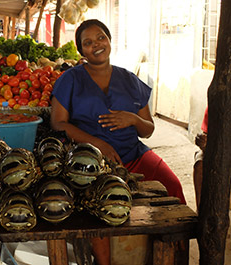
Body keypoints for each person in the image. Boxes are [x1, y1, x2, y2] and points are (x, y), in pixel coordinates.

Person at [50, 19, 186, 265]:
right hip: (93, 164)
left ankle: (176, 255)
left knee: (173, 186)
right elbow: (58, 123)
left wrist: (133, 118)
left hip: (134, 155)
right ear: (82, 50)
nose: (96, 45)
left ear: (110, 40)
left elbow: (148, 130)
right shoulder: (70, 79)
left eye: (101, 37)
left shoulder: (130, 80)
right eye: (88, 43)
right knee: (99, 209)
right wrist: (96, 144)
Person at [193, 85, 231, 209]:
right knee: (199, 164)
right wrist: (203, 142)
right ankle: (201, 210)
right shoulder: (214, 109)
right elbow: (206, 138)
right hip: (220, 148)